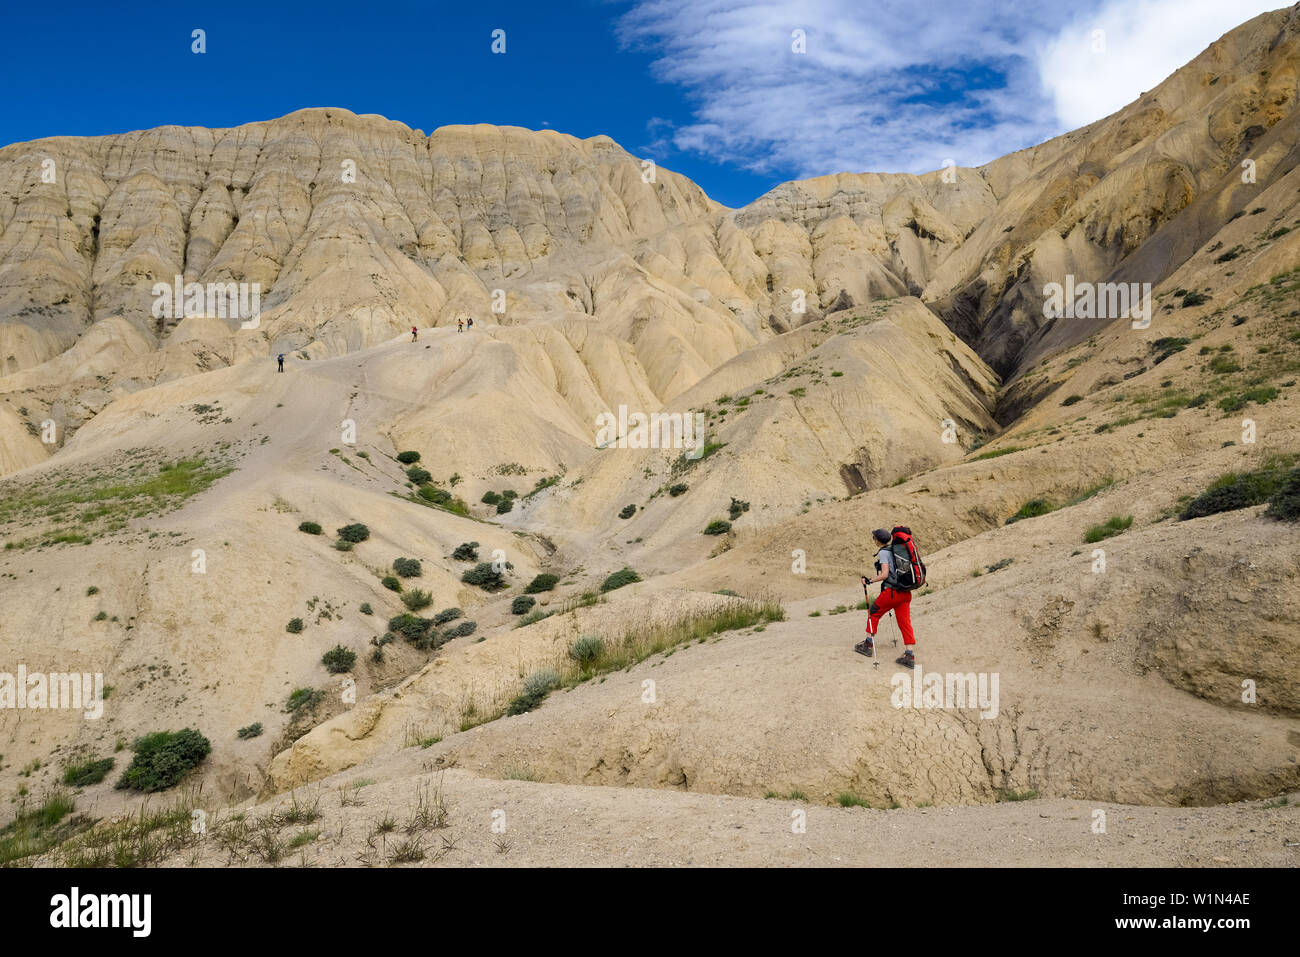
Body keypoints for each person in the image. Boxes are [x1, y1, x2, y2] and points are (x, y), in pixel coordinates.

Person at [856, 528, 918, 668]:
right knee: (904, 622)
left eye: (874, 538)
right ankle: (909, 654)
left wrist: (870, 581)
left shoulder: (884, 552)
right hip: (905, 593)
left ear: (877, 540)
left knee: (873, 613)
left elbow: (884, 574)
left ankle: (868, 644)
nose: (873, 540)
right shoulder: (895, 549)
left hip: (892, 593)